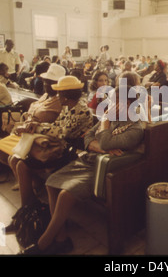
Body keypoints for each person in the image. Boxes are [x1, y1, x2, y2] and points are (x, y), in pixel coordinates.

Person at [19, 85, 144, 255]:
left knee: (65, 194)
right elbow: (86, 138)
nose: (109, 104)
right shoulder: (113, 118)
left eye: (114, 100)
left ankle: (42, 244)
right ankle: (61, 238)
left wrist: (105, 126)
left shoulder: (135, 129)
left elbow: (106, 142)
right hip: (88, 160)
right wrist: (100, 146)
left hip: (103, 170)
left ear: (127, 103)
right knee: (51, 183)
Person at [7, 75, 93, 212]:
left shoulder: (81, 110)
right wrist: (37, 125)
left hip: (69, 153)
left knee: (22, 165)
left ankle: (27, 207)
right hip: (60, 147)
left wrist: (39, 126)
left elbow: (62, 132)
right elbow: (56, 125)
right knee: (20, 163)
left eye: (59, 93)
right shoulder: (68, 106)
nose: (57, 96)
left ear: (65, 96)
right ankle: (28, 205)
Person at [0, 64, 66, 189]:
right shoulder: (45, 96)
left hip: (39, 138)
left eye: (51, 82)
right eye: (45, 81)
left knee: (14, 158)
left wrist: (34, 123)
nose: (46, 85)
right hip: (27, 133)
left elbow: (58, 125)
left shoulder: (61, 101)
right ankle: (27, 180)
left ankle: (29, 183)